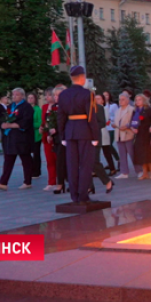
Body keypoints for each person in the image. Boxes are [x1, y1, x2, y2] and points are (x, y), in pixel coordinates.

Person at [55, 66, 100, 204]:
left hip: (70, 131)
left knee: (72, 164)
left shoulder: (63, 94)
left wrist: (62, 135)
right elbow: (91, 116)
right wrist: (95, 135)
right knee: (85, 164)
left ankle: (74, 195)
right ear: (82, 78)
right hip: (85, 131)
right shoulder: (88, 94)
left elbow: (61, 117)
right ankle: (83, 195)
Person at [0, 88, 35, 191]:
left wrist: (12, 125)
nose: (14, 96)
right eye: (13, 95)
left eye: (16, 95)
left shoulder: (26, 107)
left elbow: (26, 122)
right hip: (10, 138)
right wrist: (2, 124)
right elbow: (3, 118)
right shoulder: (10, 106)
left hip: (22, 138)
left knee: (26, 160)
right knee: (8, 160)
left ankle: (27, 182)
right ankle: (3, 182)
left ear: (22, 96)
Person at [90, 95, 114, 194]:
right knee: (85, 163)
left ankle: (107, 181)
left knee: (94, 162)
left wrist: (91, 127)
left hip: (95, 138)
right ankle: (89, 186)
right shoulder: (81, 108)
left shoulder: (98, 108)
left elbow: (102, 123)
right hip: (84, 138)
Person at [47, 85, 68, 194]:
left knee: (70, 161)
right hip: (58, 138)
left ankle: (72, 182)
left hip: (67, 137)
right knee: (59, 161)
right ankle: (60, 183)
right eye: (54, 95)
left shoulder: (69, 106)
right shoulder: (54, 107)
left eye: (58, 95)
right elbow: (51, 120)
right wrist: (50, 129)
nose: (55, 97)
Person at [112, 92, 136, 179]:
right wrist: (114, 124)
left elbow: (134, 121)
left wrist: (126, 126)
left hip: (128, 134)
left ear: (127, 100)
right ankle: (124, 172)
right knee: (122, 154)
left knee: (132, 153)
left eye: (123, 99)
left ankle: (139, 170)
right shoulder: (118, 110)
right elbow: (116, 121)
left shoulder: (131, 109)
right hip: (119, 135)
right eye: (120, 99)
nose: (121, 101)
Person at [132, 94, 151, 179]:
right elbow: (132, 121)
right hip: (138, 134)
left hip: (146, 134)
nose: (138, 101)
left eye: (140, 99)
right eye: (136, 100)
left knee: (147, 153)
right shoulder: (135, 111)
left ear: (144, 100)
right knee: (140, 153)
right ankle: (144, 172)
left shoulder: (148, 110)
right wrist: (133, 128)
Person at [41, 88, 59, 191]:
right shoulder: (44, 107)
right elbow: (44, 121)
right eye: (45, 95)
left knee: (58, 159)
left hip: (55, 136)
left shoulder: (57, 107)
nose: (46, 97)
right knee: (49, 160)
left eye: (48, 95)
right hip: (46, 137)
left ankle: (61, 180)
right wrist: (41, 127)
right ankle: (51, 182)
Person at [102, 91, 120, 171]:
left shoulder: (113, 105)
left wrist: (111, 120)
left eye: (107, 95)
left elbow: (117, 115)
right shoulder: (100, 106)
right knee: (105, 147)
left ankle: (118, 159)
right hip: (103, 128)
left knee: (109, 145)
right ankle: (110, 163)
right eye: (104, 95)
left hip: (111, 128)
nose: (105, 96)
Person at [27, 93, 43, 178]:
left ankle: (37, 171)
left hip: (36, 134)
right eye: (28, 98)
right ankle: (30, 169)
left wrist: (30, 124)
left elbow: (40, 122)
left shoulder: (38, 110)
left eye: (31, 98)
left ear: (35, 99)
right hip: (27, 135)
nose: (30, 99)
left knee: (36, 154)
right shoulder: (26, 109)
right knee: (27, 153)